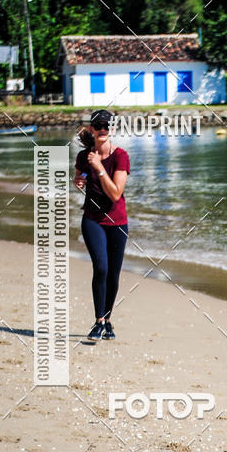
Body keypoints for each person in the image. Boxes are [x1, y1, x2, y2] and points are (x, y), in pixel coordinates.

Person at [73, 110, 130, 340]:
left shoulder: (121, 156)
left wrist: (99, 167)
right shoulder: (84, 156)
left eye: (107, 125)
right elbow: (79, 177)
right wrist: (78, 180)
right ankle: (98, 322)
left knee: (113, 275)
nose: (103, 129)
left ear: (112, 129)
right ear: (93, 129)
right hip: (92, 220)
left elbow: (116, 194)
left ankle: (107, 320)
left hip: (118, 222)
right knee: (101, 268)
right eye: (99, 126)